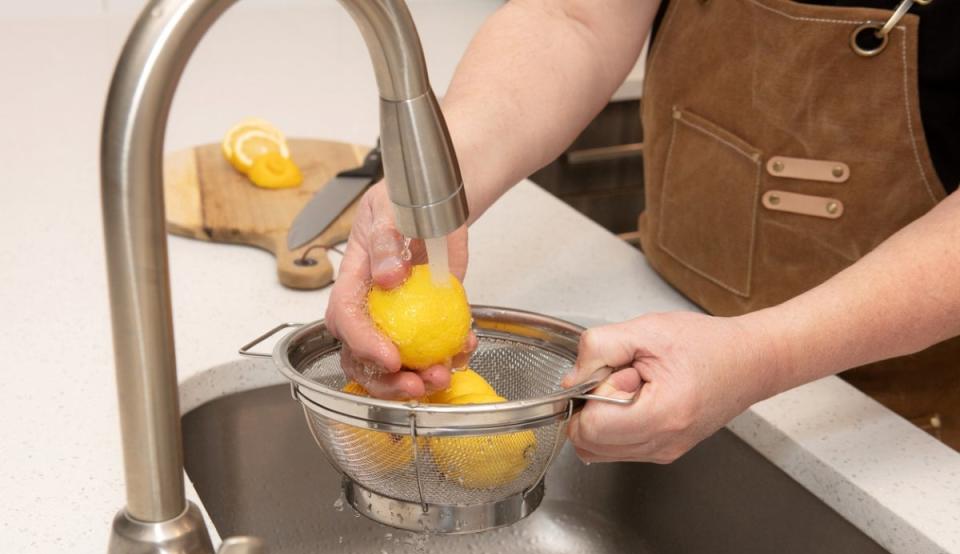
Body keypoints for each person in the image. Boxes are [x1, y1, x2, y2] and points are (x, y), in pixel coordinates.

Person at [326, 0, 960, 463]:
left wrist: (768, 351)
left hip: (908, 423)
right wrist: (435, 185)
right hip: (666, 315)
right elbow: (574, 18)